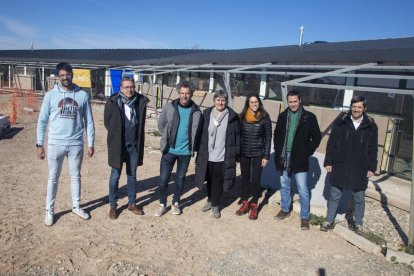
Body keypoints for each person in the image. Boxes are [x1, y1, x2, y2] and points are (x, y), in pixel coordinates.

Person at [37, 62, 95, 226]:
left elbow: (89, 122)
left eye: (67, 74)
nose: (65, 78)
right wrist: (39, 144)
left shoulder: (82, 95)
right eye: (62, 75)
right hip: (55, 143)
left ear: (72, 75)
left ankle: (76, 206)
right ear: (58, 76)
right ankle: (49, 210)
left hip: (76, 144)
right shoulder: (50, 96)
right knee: (53, 178)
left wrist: (90, 143)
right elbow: (42, 121)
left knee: (75, 176)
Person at [320, 96, 378, 235]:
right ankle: (329, 220)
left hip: (360, 167)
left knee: (359, 198)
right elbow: (332, 143)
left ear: (364, 108)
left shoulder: (370, 126)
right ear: (350, 107)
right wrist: (328, 161)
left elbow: (373, 148)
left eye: (359, 107)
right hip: (340, 164)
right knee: (334, 195)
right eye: (354, 106)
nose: (356, 109)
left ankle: (358, 224)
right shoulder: (340, 123)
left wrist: (371, 167)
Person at [273, 90, 321, 230]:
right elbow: (277, 135)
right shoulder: (283, 116)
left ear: (300, 101)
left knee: (302, 189)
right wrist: (277, 150)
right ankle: (285, 209)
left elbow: (316, 137)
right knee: (284, 185)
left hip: (299, 158)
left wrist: (306, 152)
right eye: (290, 102)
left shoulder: (309, 117)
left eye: (295, 101)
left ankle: (305, 216)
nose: (293, 104)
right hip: (284, 156)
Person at [154, 81, 203, 217]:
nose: (184, 96)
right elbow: (161, 124)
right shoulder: (170, 107)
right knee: (163, 179)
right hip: (169, 150)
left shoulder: (197, 111)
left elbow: (198, 132)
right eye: (182, 93)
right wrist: (167, 137)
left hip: (185, 153)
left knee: (180, 179)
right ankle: (162, 204)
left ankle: (176, 203)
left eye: (187, 93)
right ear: (178, 93)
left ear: (191, 94)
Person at [104, 76, 149, 220]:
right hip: (118, 146)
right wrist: (116, 135)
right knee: (115, 176)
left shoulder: (140, 102)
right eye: (126, 87)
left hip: (133, 146)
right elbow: (107, 123)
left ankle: (132, 203)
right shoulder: (113, 102)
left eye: (132, 87)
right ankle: (113, 206)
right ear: (121, 88)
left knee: (132, 175)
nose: (129, 90)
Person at [195, 90, 240, 219]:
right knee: (209, 178)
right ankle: (210, 200)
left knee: (218, 180)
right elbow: (201, 133)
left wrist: (236, 154)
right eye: (218, 100)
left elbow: (236, 136)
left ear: (226, 102)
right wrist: (197, 149)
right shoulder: (207, 113)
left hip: (222, 155)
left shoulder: (232, 117)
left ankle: (215, 205)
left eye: (223, 100)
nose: (220, 102)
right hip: (208, 154)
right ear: (214, 101)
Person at [236, 93, 272, 220]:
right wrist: (237, 152)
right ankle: (245, 202)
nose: (254, 104)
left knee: (256, 180)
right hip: (244, 152)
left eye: (256, 102)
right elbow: (238, 135)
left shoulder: (265, 117)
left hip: (258, 153)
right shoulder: (242, 117)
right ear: (248, 103)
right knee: (245, 179)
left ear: (259, 103)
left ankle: (254, 205)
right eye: (251, 102)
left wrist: (266, 156)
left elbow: (268, 138)